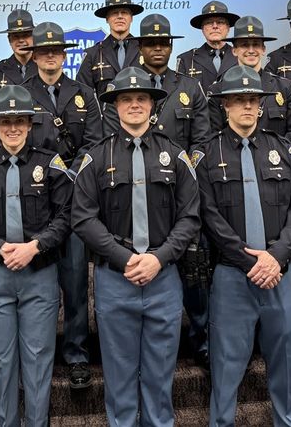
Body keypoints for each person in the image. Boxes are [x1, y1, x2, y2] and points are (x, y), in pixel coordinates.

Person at [73, 66, 200, 427]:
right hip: (116, 278)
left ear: (152, 104)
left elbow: (190, 217)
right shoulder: (96, 157)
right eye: (126, 99)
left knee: (161, 378)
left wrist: (159, 259)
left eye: (141, 98)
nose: (134, 104)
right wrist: (125, 258)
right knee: (119, 377)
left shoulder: (175, 155)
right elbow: (82, 218)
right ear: (114, 106)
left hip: (163, 277)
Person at [197, 66, 291, 426]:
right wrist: (252, 262)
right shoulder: (206, 154)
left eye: (253, 100)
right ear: (225, 105)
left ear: (261, 106)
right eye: (239, 100)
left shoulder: (285, 150)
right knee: (226, 367)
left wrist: (276, 257)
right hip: (233, 275)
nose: (247, 106)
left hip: (280, 273)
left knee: (287, 363)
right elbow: (209, 216)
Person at [0, 84, 73, 427]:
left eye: (19, 121)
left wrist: (35, 246)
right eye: (5, 121)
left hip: (39, 272)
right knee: (2, 361)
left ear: (29, 124)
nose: (12, 128)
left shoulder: (49, 164)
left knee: (38, 360)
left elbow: (66, 215)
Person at [103, 14, 212, 371]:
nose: (158, 48)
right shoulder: (123, 87)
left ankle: (200, 339)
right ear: (140, 47)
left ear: (171, 46)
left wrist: (186, 174)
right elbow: (112, 138)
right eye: (150, 43)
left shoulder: (189, 86)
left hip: (179, 188)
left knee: (193, 268)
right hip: (134, 187)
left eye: (163, 42)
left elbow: (201, 141)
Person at [19, 21, 103, 389]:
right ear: (35, 55)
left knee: (75, 281)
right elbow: (17, 144)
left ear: (63, 54)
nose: (50, 55)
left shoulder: (84, 93)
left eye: (56, 50)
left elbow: (95, 142)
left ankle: (77, 353)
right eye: (44, 50)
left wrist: (69, 173)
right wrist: (51, 171)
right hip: (36, 200)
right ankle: (38, 351)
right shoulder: (20, 95)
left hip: (76, 199)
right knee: (36, 282)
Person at [207, 15, 291, 155]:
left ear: (263, 49)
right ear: (234, 50)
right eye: (244, 45)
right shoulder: (218, 90)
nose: (251, 50)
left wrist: (272, 158)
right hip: (232, 163)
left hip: (278, 162)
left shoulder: (285, 88)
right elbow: (213, 137)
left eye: (255, 44)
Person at [76, 0, 144, 97]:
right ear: (107, 19)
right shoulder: (93, 54)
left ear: (131, 18)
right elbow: (83, 93)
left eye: (124, 12)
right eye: (114, 13)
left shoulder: (144, 50)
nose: (120, 16)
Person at [175, 0, 239, 90]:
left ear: (228, 28)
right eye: (209, 22)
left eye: (220, 22)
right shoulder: (186, 59)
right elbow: (180, 93)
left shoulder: (241, 57)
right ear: (202, 29)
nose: (215, 26)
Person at [0, 9, 38, 112]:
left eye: (25, 35)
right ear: (9, 39)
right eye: (16, 36)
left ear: (33, 37)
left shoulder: (44, 68)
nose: (21, 40)